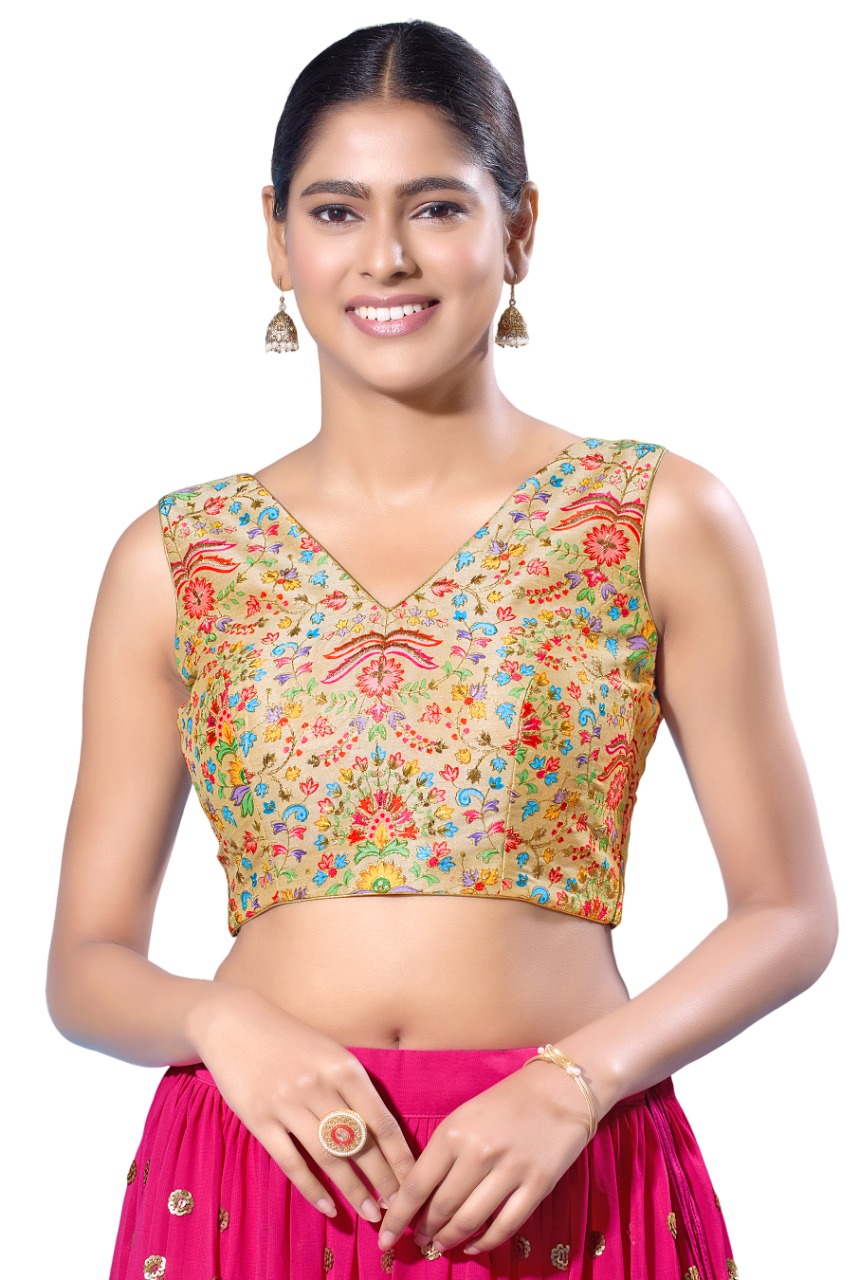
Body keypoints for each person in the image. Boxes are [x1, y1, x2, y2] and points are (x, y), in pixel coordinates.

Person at [47, 18, 837, 1280]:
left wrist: (579, 1078)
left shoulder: (654, 517)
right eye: (335, 211)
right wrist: (222, 1021)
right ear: (275, 238)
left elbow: (789, 910)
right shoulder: (177, 557)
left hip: (562, 1163)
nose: (386, 256)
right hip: (261, 1166)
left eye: (436, 207)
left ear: (519, 229)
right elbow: (84, 964)